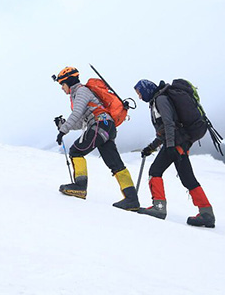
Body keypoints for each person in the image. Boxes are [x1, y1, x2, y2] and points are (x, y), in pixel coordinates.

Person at [53, 66, 140, 211]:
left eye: (62, 84)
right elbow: (81, 122)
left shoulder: (81, 91)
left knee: (76, 151)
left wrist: (63, 131)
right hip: (107, 126)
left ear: (68, 81)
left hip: (100, 125)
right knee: (116, 164)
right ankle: (132, 199)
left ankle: (80, 187)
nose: (62, 88)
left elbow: (77, 112)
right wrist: (64, 125)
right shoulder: (81, 93)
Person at [134, 79, 215, 228]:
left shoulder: (160, 99)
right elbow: (164, 131)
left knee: (155, 171)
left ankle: (159, 208)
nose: (139, 97)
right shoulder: (158, 100)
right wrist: (151, 148)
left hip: (176, 143)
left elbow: (169, 123)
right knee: (187, 178)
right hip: (179, 142)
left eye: (139, 93)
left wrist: (170, 146)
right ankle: (206, 212)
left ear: (146, 90)